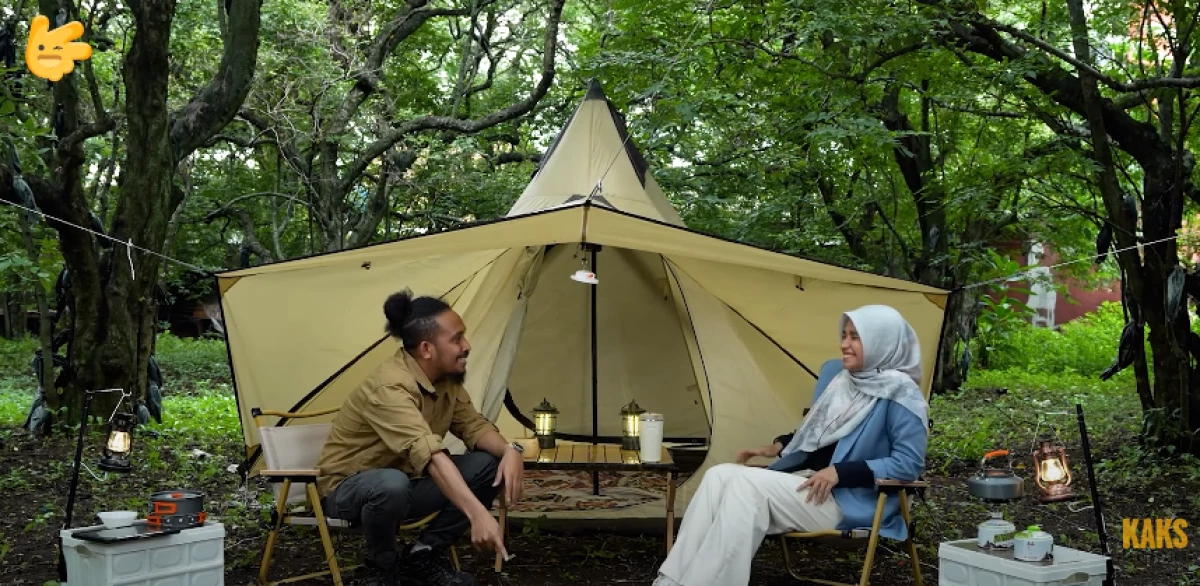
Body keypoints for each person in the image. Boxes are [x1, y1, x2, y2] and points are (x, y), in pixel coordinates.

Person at [652, 304, 929, 586]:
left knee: (747, 486)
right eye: (844, 335)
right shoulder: (845, 382)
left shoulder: (902, 395)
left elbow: (909, 464)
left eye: (855, 337)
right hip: (813, 487)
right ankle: (672, 580)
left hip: (850, 500)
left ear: (881, 341)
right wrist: (779, 446)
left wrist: (841, 472)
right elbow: (823, 434)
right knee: (718, 475)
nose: (844, 344)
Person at [315, 289, 526, 586]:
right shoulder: (389, 385)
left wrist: (510, 450)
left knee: (486, 466)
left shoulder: (446, 381)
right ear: (427, 349)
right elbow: (430, 456)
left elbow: (475, 427)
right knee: (390, 484)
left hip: (405, 483)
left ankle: (423, 555)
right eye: (456, 339)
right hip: (349, 490)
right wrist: (478, 513)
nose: (466, 346)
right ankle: (381, 570)